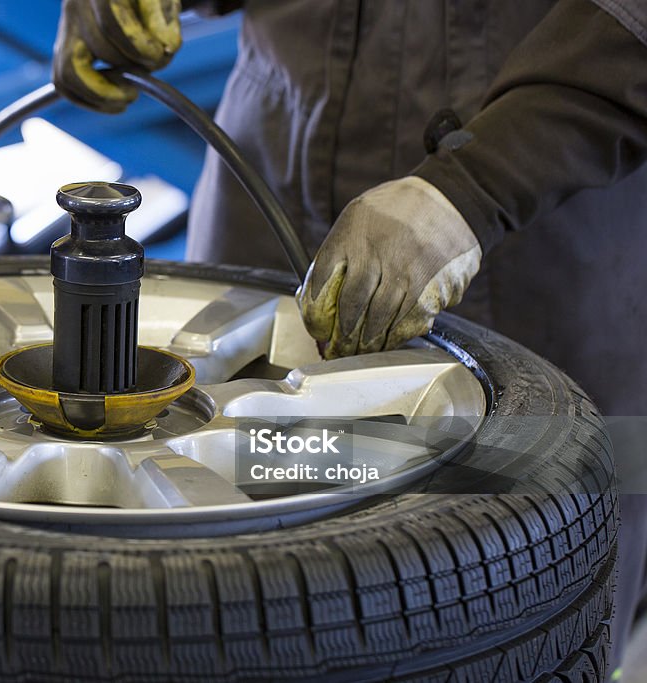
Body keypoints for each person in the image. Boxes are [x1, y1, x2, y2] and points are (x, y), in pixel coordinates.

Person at [53, 0, 647, 672]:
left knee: (511, 592)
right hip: (271, 174)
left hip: (536, 223)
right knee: (197, 590)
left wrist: (477, 185)